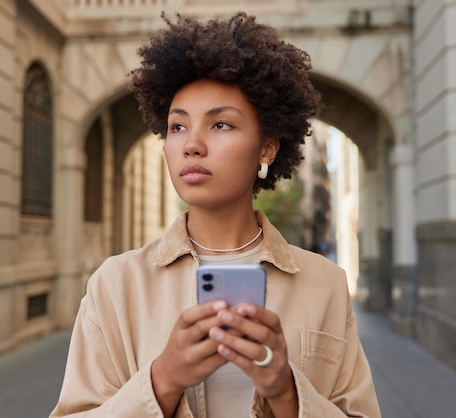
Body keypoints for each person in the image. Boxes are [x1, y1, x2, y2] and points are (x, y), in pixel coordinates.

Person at [50, 11, 381, 418]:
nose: (192, 144)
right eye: (177, 127)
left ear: (267, 149)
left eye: (221, 124)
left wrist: (286, 394)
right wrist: (163, 380)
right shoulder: (115, 285)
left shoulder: (326, 284)